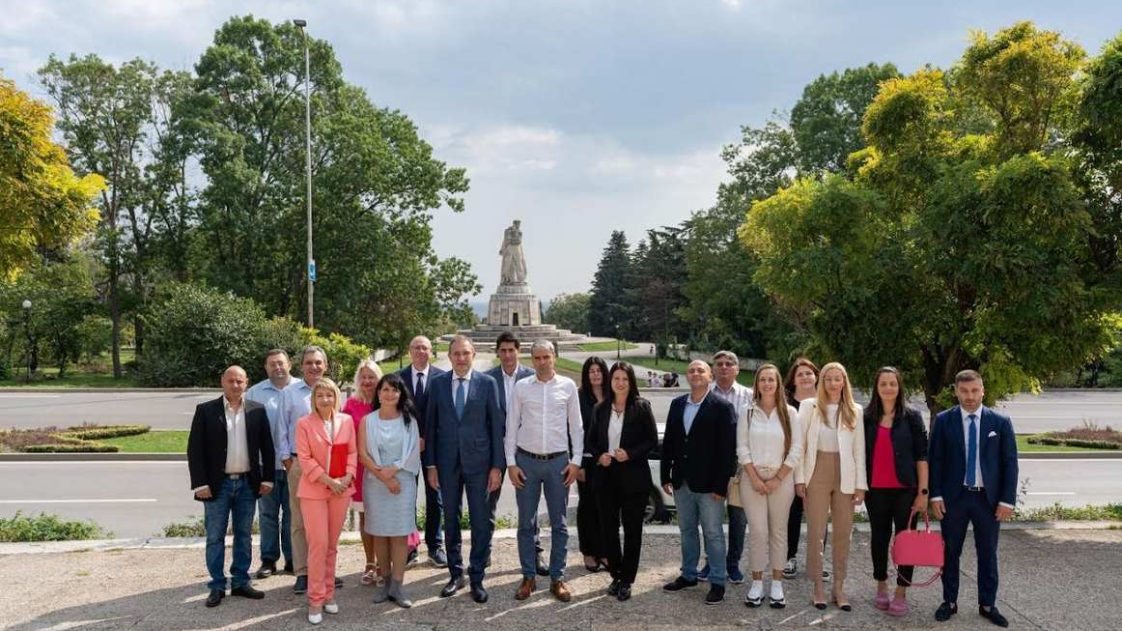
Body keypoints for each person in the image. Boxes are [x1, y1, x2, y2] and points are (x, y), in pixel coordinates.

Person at [930, 370, 1018, 628]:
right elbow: (935, 460)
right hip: (954, 499)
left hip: (987, 501)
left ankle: (987, 604)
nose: (970, 396)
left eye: (974, 390)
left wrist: (1007, 500)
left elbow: (1010, 463)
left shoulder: (1000, 422)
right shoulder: (944, 421)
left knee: (988, 553)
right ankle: (949, 601)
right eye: (964, 391)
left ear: (983, 391)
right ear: (956, 391)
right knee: (950, 553)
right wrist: (935, 495)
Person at [424, 335, 504, 604]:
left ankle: (477, 577)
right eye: (456, 353)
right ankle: (455, 573)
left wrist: (497, 466)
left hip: (480, 464)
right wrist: (431, 465)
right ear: (449, 356)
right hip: (446, 464)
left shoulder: (488, 383)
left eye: (465, 353)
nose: (461, 358)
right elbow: (431, 427)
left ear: (473, 355)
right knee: (451, 520)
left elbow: (496, 427)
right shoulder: (437, 384)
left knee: (481, 521)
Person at [188, 365, 275, 608]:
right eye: (231, 381)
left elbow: (267, 448)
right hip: (217, 485)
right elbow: (195, 450)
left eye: (240, 381)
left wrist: (267, 479)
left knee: (244, 535)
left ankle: (240, 581)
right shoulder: (206, 411)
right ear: (222, 382)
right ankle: (217, 585)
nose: (235, 385)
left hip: (247, 483)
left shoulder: (257, 410)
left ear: (246, 383)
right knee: (215, 536)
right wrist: (200, 483)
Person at [507, 339, 584, 603]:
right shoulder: (521, 387)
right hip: (526, 462)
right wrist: (511, 463)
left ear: (554, 357)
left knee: (559, 523)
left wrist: (576, 461)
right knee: (526, 523)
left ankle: (557, 578)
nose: (541, 362)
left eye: (546, 357)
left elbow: (576, 427)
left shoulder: (567, 386)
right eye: (537, 358)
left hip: (558, 463)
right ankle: (528, 576)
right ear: (532, 360)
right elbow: (511, 426)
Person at [661, 359, 737, 605]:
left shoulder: (722, 407)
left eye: (700, 370)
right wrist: (665, 475)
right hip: (681, 481)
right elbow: (669, 442)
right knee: (687, 530)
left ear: (710, 376)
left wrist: (721, 486)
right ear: (687, 375)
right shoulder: (677, 404)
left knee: (713, 533)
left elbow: (727, 451)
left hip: (709, 486)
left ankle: (717, 581)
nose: (695, 373)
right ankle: (688, 574)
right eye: (691, 370)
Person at [796, 361, 866, 611]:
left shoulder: (855, 410)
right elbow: (800, 444)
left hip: (845, 474)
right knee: (816, 531)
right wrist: (799, 478)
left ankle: (839, 586)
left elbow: (859, 450)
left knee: (843, 532)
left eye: (838, 379)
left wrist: (860, 485)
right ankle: (818, 587)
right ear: (822, 381)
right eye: (828, 379)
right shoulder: (809, 406)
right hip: (816, 470)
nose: (834, 383)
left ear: (844, 382)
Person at [589, 361, 658, 602]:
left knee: (632, 530)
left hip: (634, 477)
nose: (620, 383)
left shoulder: (641, 407)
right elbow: (591, 441)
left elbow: (651, 441)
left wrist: (630, 453)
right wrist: (599, 456)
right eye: (616, 378)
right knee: (608, 529)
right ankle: (616, 574)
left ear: (631, 382)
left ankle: (627, 579)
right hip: (606, 476)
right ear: (610, 381)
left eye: (625, 379)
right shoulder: (600, 408)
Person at [864, 366, 929, 617]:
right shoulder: (866, 417)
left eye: (893, 383)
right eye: (883, 384)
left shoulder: (912, 417)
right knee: (879, 539)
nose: (888, 388)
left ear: (899, 386)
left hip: (906, 491)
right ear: (876, 388)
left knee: (906, 542)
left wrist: (923, 493)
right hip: (875, 491)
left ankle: (901, 591)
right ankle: (881, 584)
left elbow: (922, 456)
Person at [736, 363, 802, 609]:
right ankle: (756, 583)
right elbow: (742, 447)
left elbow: (796, 449)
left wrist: (777, 478)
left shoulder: (790, 413)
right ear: (757, 384)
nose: (767, 384)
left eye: (771, 379)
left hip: (781, 480)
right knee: (758, 531)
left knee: (778, 531)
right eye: (762, 379)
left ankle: (776, 584)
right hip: (751, 479)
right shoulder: (747, 412)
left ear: (778, 383)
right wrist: (754, 478)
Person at [295, 377, 357, 624]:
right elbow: (304, 458)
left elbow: (352, 452)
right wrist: (329, 481)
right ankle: (315, 599)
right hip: (315, 491)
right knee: (318, 545)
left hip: (341, 490)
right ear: (314, 399)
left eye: (329, 395)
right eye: (320, 395)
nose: (325, 399)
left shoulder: (346, 421)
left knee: (332, 544)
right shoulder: (304, 424)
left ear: (336, 397)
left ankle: (329, 594)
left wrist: (348, 477)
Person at [484, 331, 546, 574]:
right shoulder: (487, 379)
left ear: (518, 352)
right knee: (487, 502)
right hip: (496, 450)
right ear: (497, 352)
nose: (508, 355)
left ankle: (535, 552)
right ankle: (484, 551)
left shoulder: (532, 377)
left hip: (526, 449)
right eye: (503, 350)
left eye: (512, 350)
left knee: (529, 506)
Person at [276, 346, 336, 594]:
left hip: (330, 467)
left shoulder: (332, 390)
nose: (314, 366)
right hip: (300, 465)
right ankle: (302, 571)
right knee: (300, 521)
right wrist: (287, 460)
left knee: (327, 522)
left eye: (318, 362)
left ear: (325, 365)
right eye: (309, 362)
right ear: (301, 366)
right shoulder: (289, 394)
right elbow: (281, 428)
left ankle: (325, 570)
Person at [359, 373, 422, 608]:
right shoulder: (367, 421)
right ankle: (385, 583)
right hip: (376, 483)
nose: (390, 394)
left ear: (400, 394)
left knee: (399, 535)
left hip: (402, 483)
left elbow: (413, 451)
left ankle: (397, 585)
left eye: (395, 390)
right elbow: (363, 454)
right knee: (380, 534)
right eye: (385, 389)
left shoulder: (409, 421)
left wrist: (393, 471)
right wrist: (383, 476)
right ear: (378, 393)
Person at [699, 350, 752, 585]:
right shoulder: (704, 395)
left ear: (737, 369)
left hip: (740, 465)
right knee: (711, 518)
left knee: (738, 518)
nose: (723, 367)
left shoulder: (750, 396)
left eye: (729, 363)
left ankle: (732, 563)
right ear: (713, 369)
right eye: (719, 363)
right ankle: (711, 562)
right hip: (711, 465)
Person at [398, 335, 446, 568]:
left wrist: (427, 438)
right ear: (410, 351)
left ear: (431, 352)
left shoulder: (442, 378)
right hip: (405, 447)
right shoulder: (398, 378)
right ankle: (410, 546)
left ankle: (435, 546)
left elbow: (444, 413)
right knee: (407, 496)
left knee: (435, 496)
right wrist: (413, 438)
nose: (420, 351)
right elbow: (394, 412)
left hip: (435, 447)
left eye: (424, 348)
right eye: (416, 348)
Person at [246, 349, 294, 579]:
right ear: (266, 368)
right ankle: (268, 559)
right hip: (266, 467)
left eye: (281, 363)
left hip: (295, 465)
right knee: (267, 515)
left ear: (289, 365)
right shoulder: (255, 393)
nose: (277, 367)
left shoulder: (301, 389)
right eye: (272, 364)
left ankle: (293, 559)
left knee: (293, 515)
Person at [782, 357, 828, 581]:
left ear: (816, 377)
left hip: (820, 467)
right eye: (800, 374)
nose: (805, 377)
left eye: (809, 373)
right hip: (791, 468)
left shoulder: (826, 402)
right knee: (792, 513)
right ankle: (789, 558)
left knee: (819, 517)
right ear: (793, 380)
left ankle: (818, 561)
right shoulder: (785, 404)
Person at [341, 358, 383, 585]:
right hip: (360, 469)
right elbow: (344, 439)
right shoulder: (351, 405)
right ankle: (369, 562)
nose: (367, 381)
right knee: (365, 517)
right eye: (363, 377)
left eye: (371, 377)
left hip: (384, 468)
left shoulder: (386, 401)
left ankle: (384, 564)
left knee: (383, 516)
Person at [577, 356, 611, 573]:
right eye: (591, 371)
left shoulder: (612, 395)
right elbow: (574, 431)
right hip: (587, 461)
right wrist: (578, 463)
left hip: (609, 461)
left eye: (599, 370)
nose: (596, 374)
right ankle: (589, 552)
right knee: (587, 507)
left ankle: (605, 551)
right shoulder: (579, 397)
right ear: (586, 375)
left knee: (606, 507)